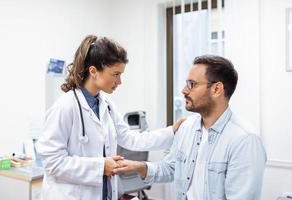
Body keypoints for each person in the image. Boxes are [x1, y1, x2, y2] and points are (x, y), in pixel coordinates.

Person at [37, 35, 184, 200]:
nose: (119, 81)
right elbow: (52, 162)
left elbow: (130, 139)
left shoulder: (106, 105)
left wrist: (172, 131)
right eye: (115, 74)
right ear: (93, 71)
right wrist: (100, 167)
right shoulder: (65, 107)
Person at [114, 55, 267, 200]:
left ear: (217, 89)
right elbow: (171, 168)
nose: (184, 90)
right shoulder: (187, 127)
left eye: (192, 84)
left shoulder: (245, 140)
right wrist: (139, 167)